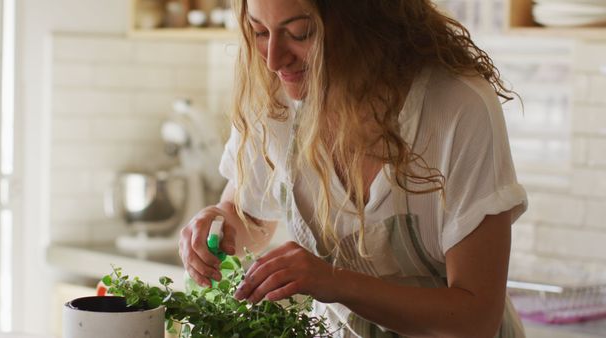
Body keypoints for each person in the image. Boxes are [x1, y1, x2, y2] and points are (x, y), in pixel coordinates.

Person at [178, 0, 528, 337]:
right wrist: (218, 226)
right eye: (259, 31)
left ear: (368, 21)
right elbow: (248, 217)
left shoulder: (456, 107)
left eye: (300, 34)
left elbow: (476, 319)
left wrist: (334, 282)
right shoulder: (275, 99)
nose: (273, 60)